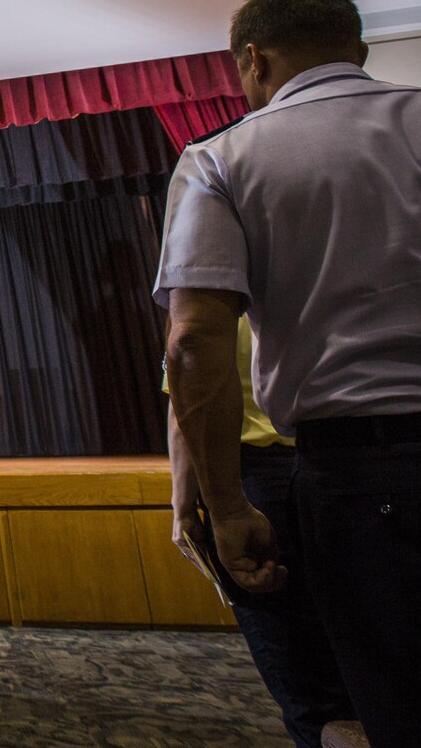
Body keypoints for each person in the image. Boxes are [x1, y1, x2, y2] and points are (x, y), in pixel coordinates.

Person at [154, 0, 421, 746]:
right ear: (359, 49)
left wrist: (224, 504)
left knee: (382, 701)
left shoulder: (223, 157)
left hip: (357, 472)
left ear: (254, 61)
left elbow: (194, 341)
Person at [166, 317, 355, 747]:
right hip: (350, 465)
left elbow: (186, 404)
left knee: (303, 679)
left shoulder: (213, 304)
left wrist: (183, 509)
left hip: (257, 485)